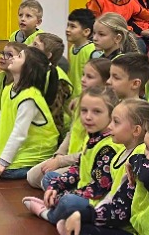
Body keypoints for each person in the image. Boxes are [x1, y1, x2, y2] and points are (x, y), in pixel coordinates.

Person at [24, 86, 122, 224]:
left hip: (99, 201)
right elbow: (78, 167)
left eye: (97, 112)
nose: (88, 117)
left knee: (68, 201)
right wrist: (56, 186)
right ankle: (60, 208)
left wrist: (65, 195)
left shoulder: (108, 147)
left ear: (111, 114)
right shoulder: (94, 136)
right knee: (50, 179)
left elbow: (99, 189)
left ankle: (49, 214)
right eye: (84, 110)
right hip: (84, 188)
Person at [27, 59, 111, 189]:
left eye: (89, 77)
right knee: (32, 176)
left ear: (106, 82)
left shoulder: (107, 111)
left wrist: (61, 161)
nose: (83, 79)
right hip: (69, 158)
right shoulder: (80, 102)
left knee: (49, 179)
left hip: (83, 161)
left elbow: (89, 152)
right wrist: (59, 155)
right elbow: (71, 132)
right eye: (83, 74)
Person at [0, 48, 61, 180]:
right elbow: (1, 118)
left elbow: (19, 133)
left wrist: (3, 162)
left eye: (19, 56)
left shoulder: (29, 97)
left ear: (28, 68)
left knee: (5, 171)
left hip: (37, 148)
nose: (13, 58)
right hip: (25, 144)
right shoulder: (9, 88)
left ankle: (41, 163)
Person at [65, 8, 96, 100]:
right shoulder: (72, 48)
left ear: (86, 32)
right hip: (71, 98)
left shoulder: (92, 51)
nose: (67, 30)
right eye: (68, 25)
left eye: (72, 26)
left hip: (84, 99)